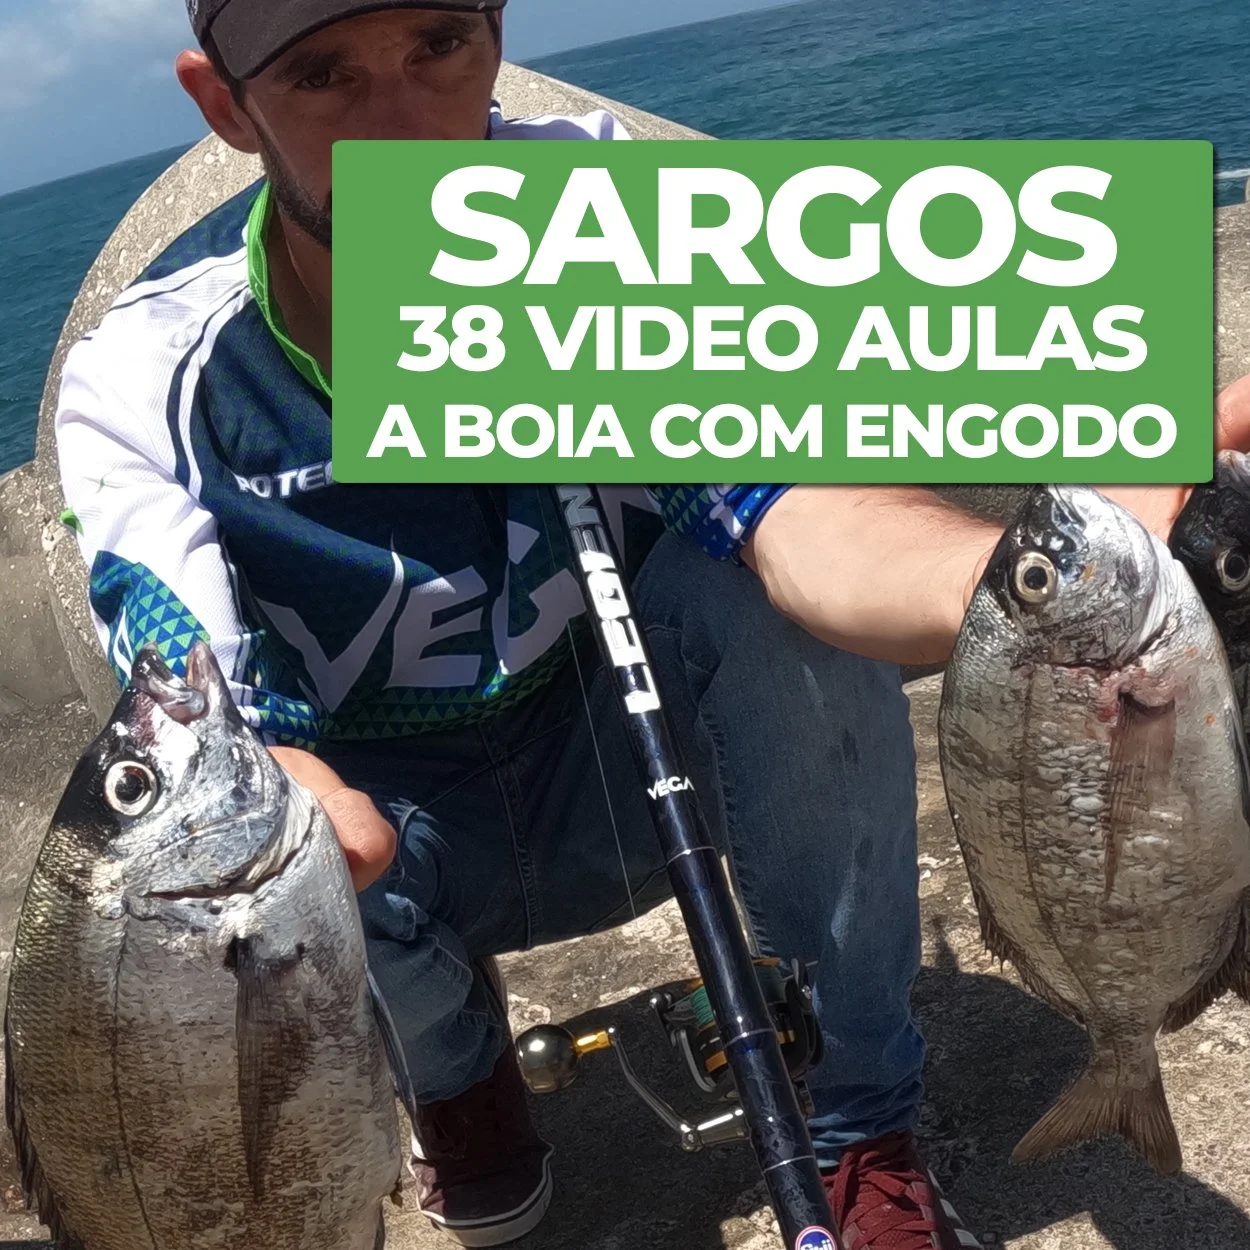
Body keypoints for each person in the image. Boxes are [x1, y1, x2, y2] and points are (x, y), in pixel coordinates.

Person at [50, 1, 1250, 1246]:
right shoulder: (154, 376)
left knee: (762, 605)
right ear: (225, 105)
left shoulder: (598, 217)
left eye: (439, 48)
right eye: (321, 75)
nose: (406, 129)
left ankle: (855, 1117)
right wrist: (273, 784)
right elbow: (179, 679)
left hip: (625, 752)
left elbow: (801, 512)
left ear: (495, 36)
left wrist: (1038, 587)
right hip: (394, 841)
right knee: (248, 834)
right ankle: (457, 1077)